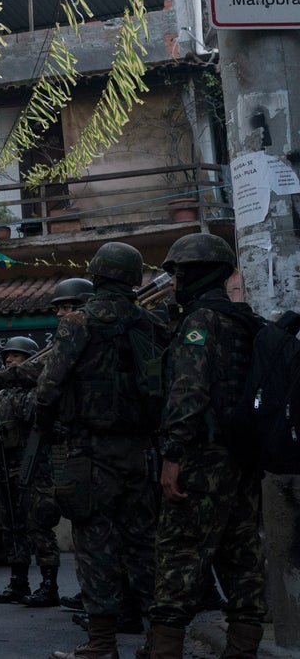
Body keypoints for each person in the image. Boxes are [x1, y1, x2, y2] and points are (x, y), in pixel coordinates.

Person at [35, 241, 167, 659]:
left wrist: (45, 418)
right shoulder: (148, 322)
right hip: (141, 452)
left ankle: (102, 644)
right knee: (144, 546)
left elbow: (49, 384)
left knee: (95, 548)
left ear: (97, 274)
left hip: (90, 452)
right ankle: (161, 644)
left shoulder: (78, 323)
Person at [145, 234, 267, 658]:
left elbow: (189, 392)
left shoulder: (200, 322)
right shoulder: (245, 320)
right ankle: (242, 649)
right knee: (242, 558)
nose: (175, 282)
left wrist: (172, 455)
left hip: (202, 458)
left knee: (179, 556)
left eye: (179, 273)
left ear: (197, 274)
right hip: (243, 458)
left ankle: (163, 650)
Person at [0, 336, 61, 607]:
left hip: (33, 468)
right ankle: (18, 583)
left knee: (39, 526)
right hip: (6, 469)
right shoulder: (3, 395)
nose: (10, 361)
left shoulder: (38, 391)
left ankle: (49, 585)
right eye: (7, 357)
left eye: (17, 356)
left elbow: (37, 419)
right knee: (11, 526)